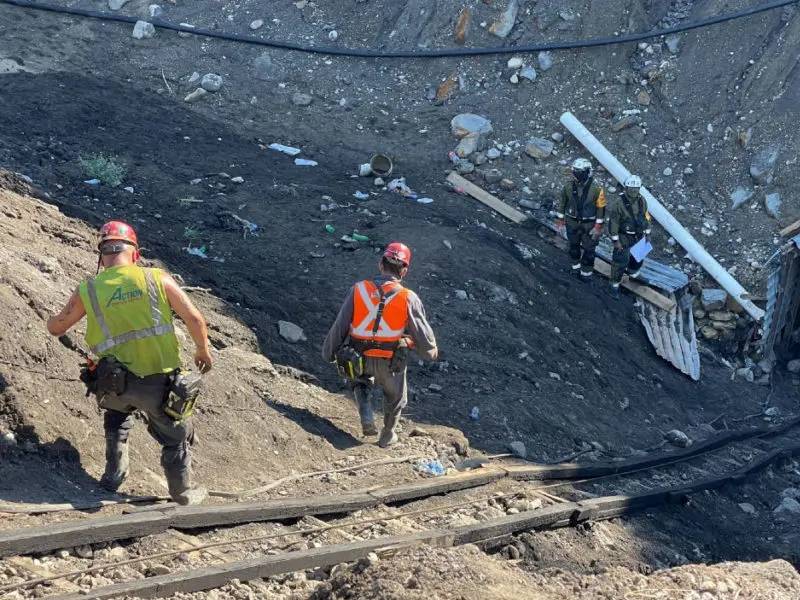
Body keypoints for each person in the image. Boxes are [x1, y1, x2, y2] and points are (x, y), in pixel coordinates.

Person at [46, 221, 212, 505]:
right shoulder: (155, 278)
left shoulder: (89, 289)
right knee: (175, 434)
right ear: (135, 252)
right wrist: (202, 349)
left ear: (102, 255)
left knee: (116, 417)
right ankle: (182, 491)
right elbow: (194, 318)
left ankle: (112, 476)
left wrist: (51, 319)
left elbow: (57, 327)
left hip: (113, 381)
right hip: (158, 381)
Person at [322, 242, 438, 448]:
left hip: (358, 359)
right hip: (390, 363)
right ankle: (387, 434)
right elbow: (426, 342)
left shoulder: (358, 290)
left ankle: (364, 404)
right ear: (404, 270)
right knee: (396, 398)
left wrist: (329, 352)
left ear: (380, 264)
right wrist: (423, 349)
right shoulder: (408, 298)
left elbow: (340, 325)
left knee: (358, 379)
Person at [555, 158, 607, 281]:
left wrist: (598, 227)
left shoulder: (597, 189)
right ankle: (575, 268)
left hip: (589, 225)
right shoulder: (568, 187)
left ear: (588, 172)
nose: (578, 173)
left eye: (581, 171)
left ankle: (586, 274)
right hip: (572, 222)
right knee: (573, 247)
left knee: (589, 252)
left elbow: (601, 208)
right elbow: (562, 204)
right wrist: (560, 221)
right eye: (576, 171)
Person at [607, 175, 652, 298]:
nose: (633, 191)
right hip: (624, 235)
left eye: (636, 188)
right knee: (620, 260)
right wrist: (615, 240)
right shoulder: (618, 203)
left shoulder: (642, 200)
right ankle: (614, 284)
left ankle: (634, 273)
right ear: (626, 188)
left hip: (638, 234)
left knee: (639, 256)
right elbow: (614, 222)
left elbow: (646, 217)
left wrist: (647, 233)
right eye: (631, 188)